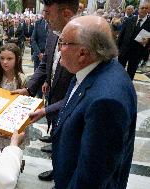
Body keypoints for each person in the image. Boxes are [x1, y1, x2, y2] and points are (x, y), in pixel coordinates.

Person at [52, 15, 137, 189]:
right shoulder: (94, 68)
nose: (59, 49)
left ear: (82, 52)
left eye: (63, 43)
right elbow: (79, 102)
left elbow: (91, 178)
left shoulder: (107, 101)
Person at [12, 0, 78, 182]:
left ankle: (63, 177)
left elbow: (80, 92)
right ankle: (57, 169)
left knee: (69, 148)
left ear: (65, 14)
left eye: (48, 12)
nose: (43, 17)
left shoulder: (82, 40)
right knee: (57, 142)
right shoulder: (52, 33)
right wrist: (29, 88)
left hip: (71, 108)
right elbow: (44, 64)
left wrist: (46, 109)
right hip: (53, 99)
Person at [0, 43, 29, 150]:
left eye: (9, 58)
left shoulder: (23, 79)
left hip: (15, 124)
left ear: (17, 59)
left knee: (15, 151)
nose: (5, 62)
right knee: (2, 152)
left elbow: (25, 108)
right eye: (2, 58)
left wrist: (10, 129)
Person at [118, 2, 150, 80]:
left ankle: (128, 88)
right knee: (119, 71)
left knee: (131, 72)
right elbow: (121, 35)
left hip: (138, 52)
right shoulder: (129, 20)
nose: (144, 9)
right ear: (138, 9)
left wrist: (148, 41)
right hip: (124, 50)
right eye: (142, 8)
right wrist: (118, 49)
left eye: (146, 8)